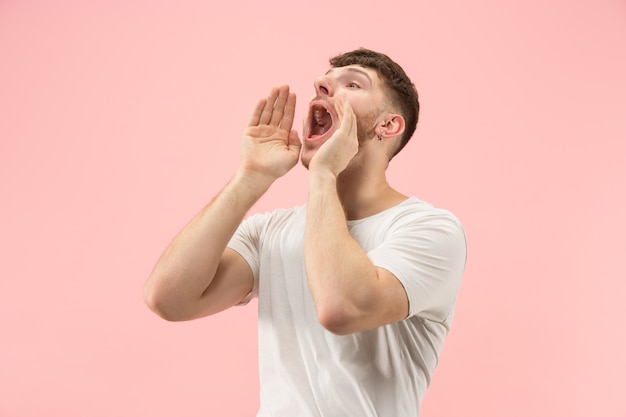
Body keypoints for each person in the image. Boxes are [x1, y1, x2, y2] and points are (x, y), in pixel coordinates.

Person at [144, 48, 467, 416]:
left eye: (352, 84)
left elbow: (341, 308)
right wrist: (250, 178)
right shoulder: (272, 231)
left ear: (387, 126)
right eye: (326, 81)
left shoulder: (430, 229)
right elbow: (169, 298)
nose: (322, 85)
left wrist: (324, 174)